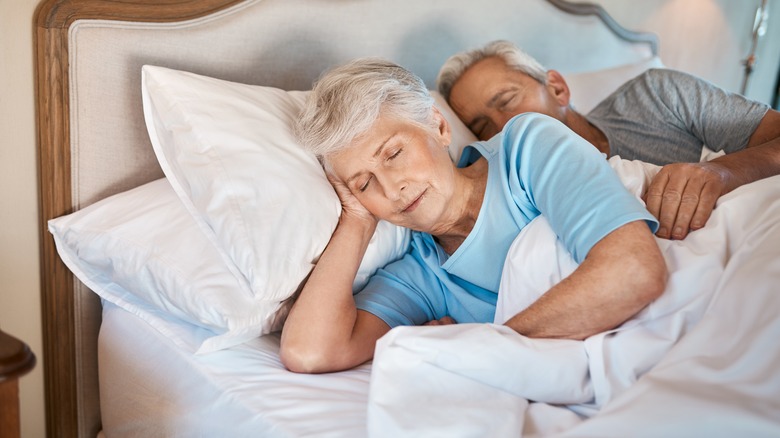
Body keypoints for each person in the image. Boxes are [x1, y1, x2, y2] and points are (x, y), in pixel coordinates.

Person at [279, 57, 667, 374]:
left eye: (394, 154)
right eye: (364, 184)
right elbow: (309, 352)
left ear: (439, 126)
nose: (391, 188)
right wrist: (357, 220)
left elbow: (634, 270)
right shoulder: (422, 276)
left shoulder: (525, 149)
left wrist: (476, 344)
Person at [437, 40, 780, 240]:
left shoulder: (657, 94)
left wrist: (723, 173)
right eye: (482, 126)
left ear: (557, 88)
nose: (504, 127)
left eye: (508, 100)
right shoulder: (516, 194)